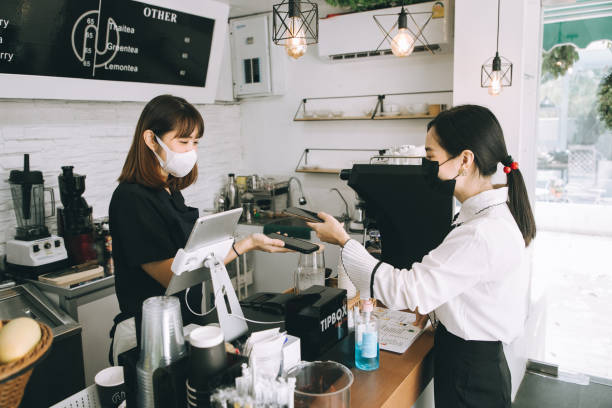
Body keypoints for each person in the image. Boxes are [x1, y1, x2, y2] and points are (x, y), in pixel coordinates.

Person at [308, 104, 536, 408]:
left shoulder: (482, 232)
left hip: (470, 373)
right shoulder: (483, 216)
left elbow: (408, 290)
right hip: (471, 361)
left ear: (465, 160)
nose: (426, 168)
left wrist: (343, 241)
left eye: (430, 158)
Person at [108, 95, 289, 364]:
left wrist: (246, 242)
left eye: (195, 143)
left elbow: (194, 255)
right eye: (182, 142)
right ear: (150, 140)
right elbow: (173, 276)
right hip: (147, 336)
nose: (191, 151)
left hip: (183, 326)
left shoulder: (169, 191)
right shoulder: (131, 199)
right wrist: (242, 246)